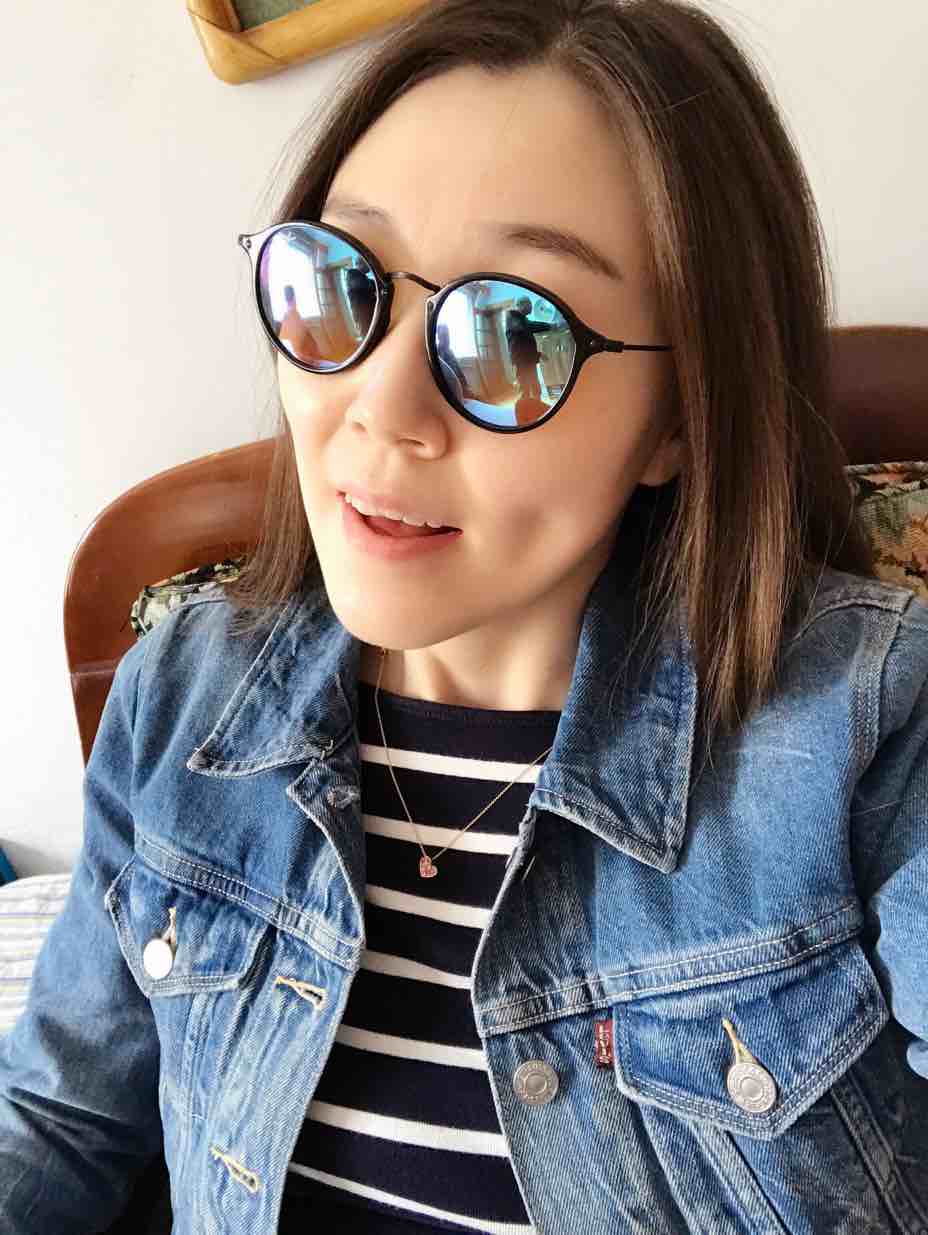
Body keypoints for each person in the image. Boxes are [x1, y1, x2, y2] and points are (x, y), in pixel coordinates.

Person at [2, 1, 926, 1232]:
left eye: (511, 333)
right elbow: (59, 1117)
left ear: (679, 417)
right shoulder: (182, 693)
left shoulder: (868, 731)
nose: (378, 406)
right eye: (338, 283)